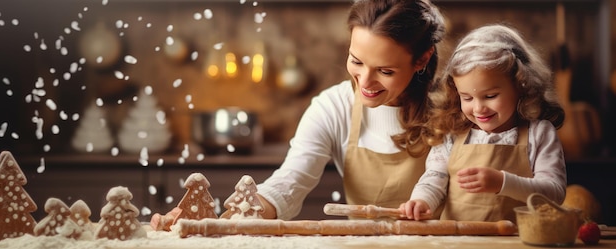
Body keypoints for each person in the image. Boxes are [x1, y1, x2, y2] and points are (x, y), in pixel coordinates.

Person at [224, 0, 446, 220]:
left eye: (385, 71)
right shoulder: (333, 107)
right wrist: (250, 211)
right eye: (356, 62)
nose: (365, 82)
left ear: (422, 59)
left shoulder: (452, 109)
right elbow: (291, 179)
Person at [399, 24, 567, 222]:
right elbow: (435, 177)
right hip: (457, 241)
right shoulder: (452, 132)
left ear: (521, 85)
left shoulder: (538, 133)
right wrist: (421, 200)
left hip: (518, 240)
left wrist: (503, 182)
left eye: (490, 95)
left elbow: (555, 193)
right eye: (467, 98)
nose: (478, 108)